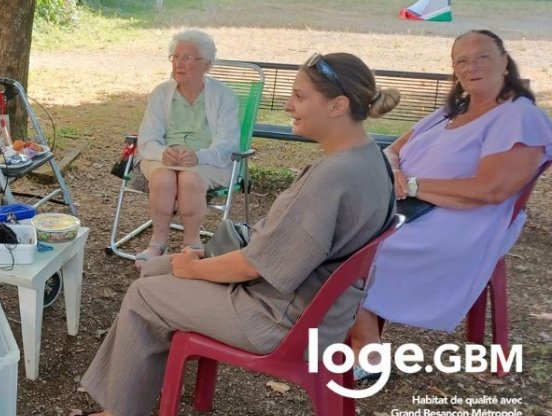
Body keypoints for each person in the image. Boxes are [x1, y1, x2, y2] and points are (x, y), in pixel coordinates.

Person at [75, 53, 400, 416]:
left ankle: (120, 412)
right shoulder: (373, 159)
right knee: (155, 269)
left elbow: (254, 266)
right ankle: (125, 400)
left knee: (144, 294)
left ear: (338, 106)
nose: (288, 105)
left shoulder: (333, 177)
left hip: (279, 320)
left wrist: (192, 269)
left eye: (300, 96)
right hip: (318, 312)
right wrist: (191, 263)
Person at [349, 30, 552, 376]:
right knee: (335, 228)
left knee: (355, 247)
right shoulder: (450, 111)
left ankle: (364, 351)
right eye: (461, 60)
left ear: (505, 62)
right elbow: (392, 149)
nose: (471, 66)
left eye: (482, 56)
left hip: (465, 221)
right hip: (408, 205)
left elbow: (492, 190)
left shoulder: (518, 116)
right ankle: (359, 337)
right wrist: (397, 172)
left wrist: (412, 185)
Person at [134, 29, 240, 266]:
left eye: (188, 58)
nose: (178, 64)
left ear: (207, 65)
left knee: (190, 180)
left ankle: (192, 245)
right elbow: (148, 137)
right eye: (175, 56)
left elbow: (228, 143)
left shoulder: (225, 96)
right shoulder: (161, 93)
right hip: (163, 157)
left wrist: (199, 156)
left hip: (208, 161)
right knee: (163, 179)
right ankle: (157, 244)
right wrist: (163, 152)